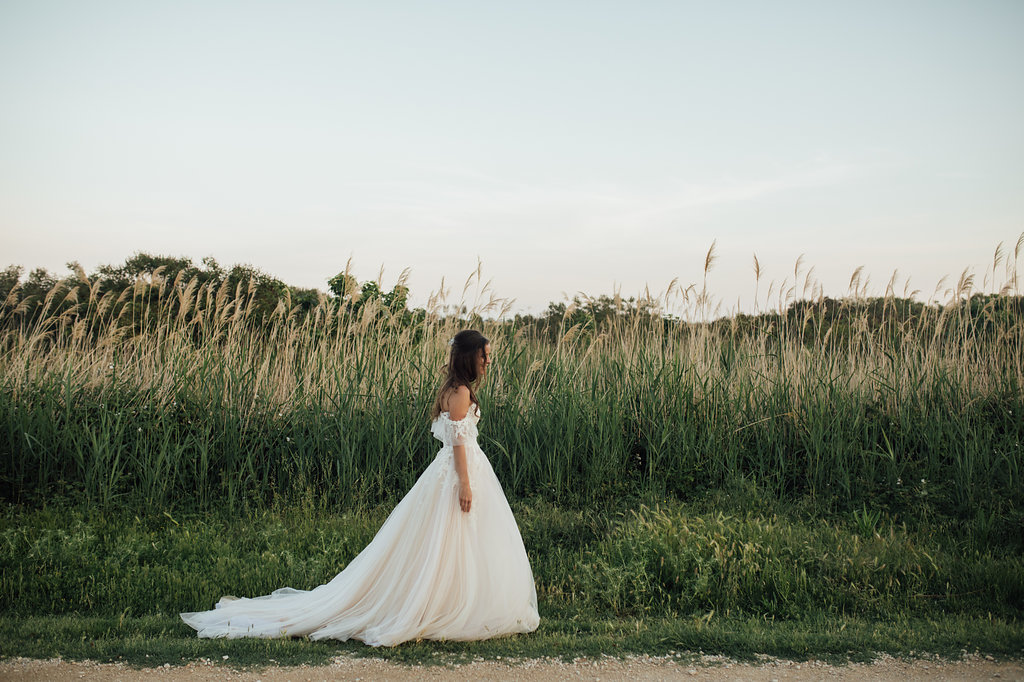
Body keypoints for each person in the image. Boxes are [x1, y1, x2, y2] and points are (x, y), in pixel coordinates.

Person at [180, 329, 540, 646]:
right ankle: (447, 605)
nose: (487, 361)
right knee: (452, 539)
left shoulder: (451, 389)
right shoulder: (460, 393)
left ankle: (450, 599)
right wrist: (464, 483)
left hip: (446, 471)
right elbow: (460, 442)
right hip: (458, 473)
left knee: (448, 543)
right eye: (483, 355)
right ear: (469, 357)